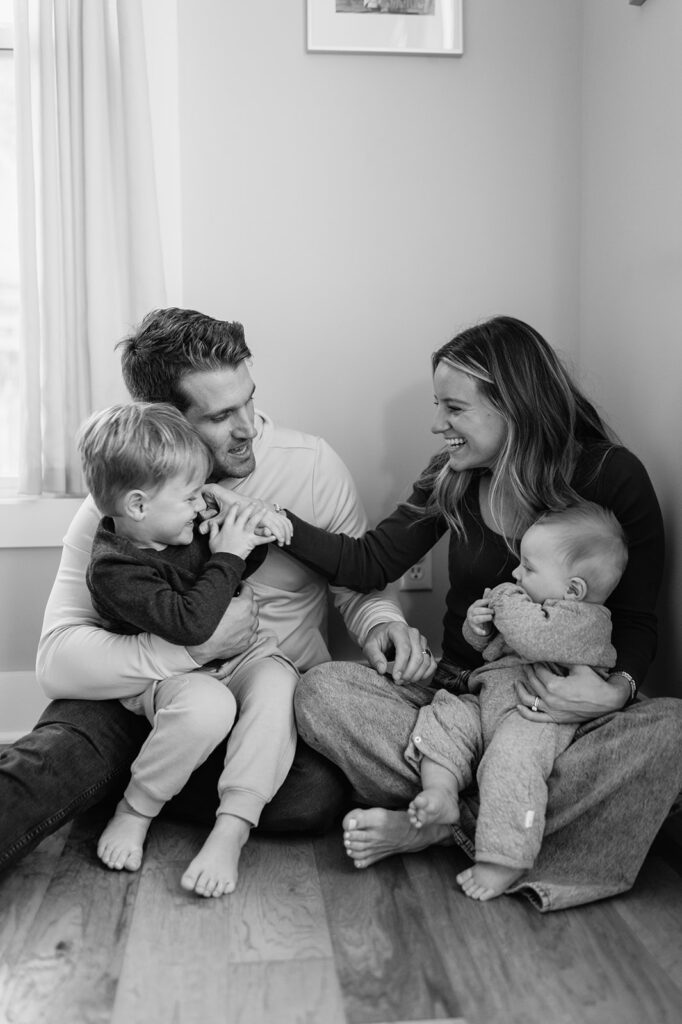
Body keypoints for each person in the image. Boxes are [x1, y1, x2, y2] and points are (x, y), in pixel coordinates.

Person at [0, 308, 432, 876]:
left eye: (250, 400)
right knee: (50, 763)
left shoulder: (311, 467)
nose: (249, 426)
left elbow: (356, 585)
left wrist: (381, 624)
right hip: (144, 701)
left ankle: (129, 785)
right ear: (167, 421)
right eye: (222, 415)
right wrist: (189, 652)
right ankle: (127, 780)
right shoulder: (127, 499)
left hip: (264, 706)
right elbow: (58, 661)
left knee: (312, 796)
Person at [282, 314, 682, 911]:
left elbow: (638, 621)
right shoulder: (454, 476)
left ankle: (443, 821)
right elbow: (368, 563)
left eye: (454, 408)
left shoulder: (610, 476)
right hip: (461, 693)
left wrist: (616, 690)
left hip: (559, 711)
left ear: (514, 406)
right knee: (321, 691)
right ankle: (492, 826)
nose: (437, 423)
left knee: (671, 729)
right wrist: (277, 524)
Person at [78, 401, 298, 897]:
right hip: (173, 676)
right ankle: (136, 809)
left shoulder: (175, 521)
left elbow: (236, 570)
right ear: (137, 505)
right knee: (208, 706)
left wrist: (252, 528)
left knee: (279, 682)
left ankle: (233, 828)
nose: (201, 507)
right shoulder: (115, 569)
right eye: (192, 496)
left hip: (240, 655)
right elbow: (193, 624)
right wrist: (228, 552)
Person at [405, 501, 627, 902]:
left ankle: (505, 857)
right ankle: (441, 794)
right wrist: (479, 627)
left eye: (528, 567)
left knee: (512, 763)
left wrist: (505, 600)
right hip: (488, 699)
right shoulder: (534, 608)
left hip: (534, 719)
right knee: (442, 715)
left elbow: (529, 637)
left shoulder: (587, 622)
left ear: (573, 590)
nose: (514, 573)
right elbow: (492, 648)